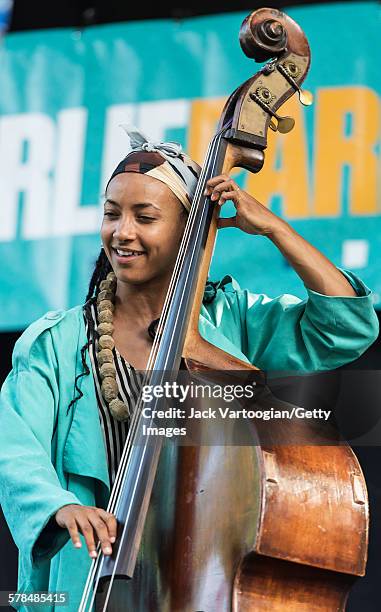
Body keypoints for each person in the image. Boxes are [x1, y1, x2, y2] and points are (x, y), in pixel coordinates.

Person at [0, 127, 378, 611]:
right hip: (89, 581)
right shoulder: (56, 343)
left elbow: (345, 326)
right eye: (112, 214)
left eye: (146, 217)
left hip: (201, 580)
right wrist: (60, 506)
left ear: (188, 228)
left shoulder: (229, 319)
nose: (123, 232)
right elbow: (15, 447)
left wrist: (275, 229)